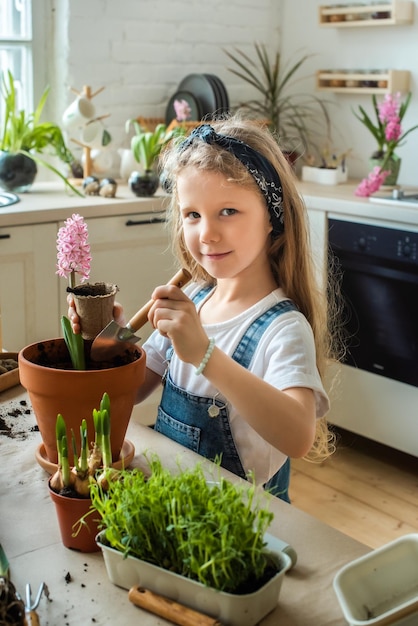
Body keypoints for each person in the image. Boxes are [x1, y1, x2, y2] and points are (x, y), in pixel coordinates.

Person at [69, 116, 341, 502]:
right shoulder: (195, 297)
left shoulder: (282, 327)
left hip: (238, 527)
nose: (206, 234)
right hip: (172, 505)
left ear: (272, 218)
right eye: (192, 215)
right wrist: (107, 348)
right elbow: (130, 392)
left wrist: (204, 354)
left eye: (228, 211)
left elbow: (298, 437)